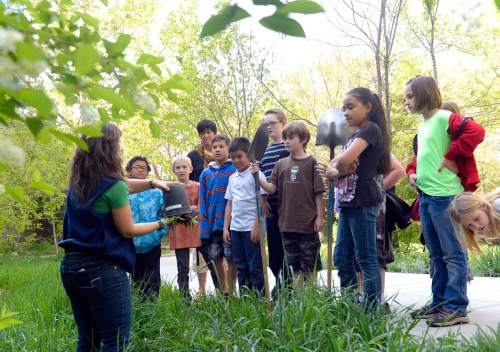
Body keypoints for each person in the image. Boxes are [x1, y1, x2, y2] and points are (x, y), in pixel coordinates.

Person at [59, 123, 172, 351]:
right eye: (118, 143)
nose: (121, 148)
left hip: (71, 268)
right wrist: (161, 223)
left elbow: (122, 186)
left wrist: (151, 182)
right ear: (107, 147)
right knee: (116, 341)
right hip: (103, 270)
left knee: (88, 340)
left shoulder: (78, 183)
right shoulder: (112, 185)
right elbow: (128, 230)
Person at [403, 76, 484, 327]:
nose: (406, 102)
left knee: (453, 254)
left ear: (425, 94)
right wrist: (413, 175)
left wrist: (451, 155)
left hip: (446, 197)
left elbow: (477, 131)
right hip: (427, 196)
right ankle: (439, 303)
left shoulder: (442, 117)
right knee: (436, 255)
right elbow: (424, 157)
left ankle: (456, 307)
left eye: (410, 96)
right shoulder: (424, 125)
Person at [325, 88, 390, 309]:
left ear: (368, 107)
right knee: (342, 257)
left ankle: (372, 311)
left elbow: (341, 163)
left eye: (350, 107)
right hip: (347, 203)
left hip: (363, 202)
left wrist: (337, 169)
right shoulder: (353, 135)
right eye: (343, 108)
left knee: (366, 257)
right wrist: (337, 168)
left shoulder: (370, 130)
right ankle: (350, 305)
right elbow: (336, 165)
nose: (345, 112)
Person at [252, 121, 325, 287]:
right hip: (286, 224)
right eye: (285, 138)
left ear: (303, 139)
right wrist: (258, 177)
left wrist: (320, 217)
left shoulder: (312, 162)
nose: (286, 141)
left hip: (307, 223)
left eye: (290, 138)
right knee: (294, 266)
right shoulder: (281, 164)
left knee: (309, 265)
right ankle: (299, 301)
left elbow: (319, 193)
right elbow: (271, 189)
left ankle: (310, 298)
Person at [355, 156, 405, 303]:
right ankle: (360, 295)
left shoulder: (375, 144)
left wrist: (378, 189)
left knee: (376, 256)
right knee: (356, 255)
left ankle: (379, 299)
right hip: (355, 209)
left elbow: (398, 170)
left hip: (374, 210)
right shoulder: (352, 144)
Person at [223, 137, 267, 294]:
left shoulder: (257, 175)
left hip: (251, 228)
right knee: (240, 265)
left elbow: (262, 203)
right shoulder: (232, 178)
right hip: (235, 229)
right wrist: (225, 228)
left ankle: (260, 298)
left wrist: (257, 225)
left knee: (255, 265)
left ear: (248, 155)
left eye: (239, 156)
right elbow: (229, 205)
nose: (236, 160)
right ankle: (246, 299)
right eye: (233, 157)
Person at [198, 134, 237, 294]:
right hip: (212, 225)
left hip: (231, 224)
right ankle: (224, 291)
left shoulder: (234, 169)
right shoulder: (206, 173)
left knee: (231, 258)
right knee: (216, 258)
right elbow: (202, 201)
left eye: (221, 146)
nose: (218, 150)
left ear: (228, 148)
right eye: (215, 147)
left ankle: (232, 289)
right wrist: (204, 227)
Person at [259, 109, 291, 296]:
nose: (269, 127)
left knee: (289, 245)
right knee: (275, 248)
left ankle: (288, 285)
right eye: (266, 124)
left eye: (272, 123)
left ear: (283, 124)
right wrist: (263, 200)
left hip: (289, 205)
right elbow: (261, 177)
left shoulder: (289, 147)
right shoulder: (263, 151)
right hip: (271, 206)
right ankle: (280, 281)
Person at [126, 156, 167, 299]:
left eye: (143, 167)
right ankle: (139, 308)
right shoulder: (124, 192)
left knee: (153, 278)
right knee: (136, 279)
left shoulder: (156, 192)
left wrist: (158, 234)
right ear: (129, 171)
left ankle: (153, 308)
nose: (140, 169)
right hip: (131, 244)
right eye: (136, 166)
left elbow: (164, 215)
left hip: (152, 242)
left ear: (148, 172)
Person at [168, 156, 202, 300]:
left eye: (184, 167)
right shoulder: (170, 188)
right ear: (173, 170)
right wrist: (189, 209)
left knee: (209, 262)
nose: (181, 170)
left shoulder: (198, 186)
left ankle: (221, 293)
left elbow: (202, 206)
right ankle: (184, 299)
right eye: (178, 167)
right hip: (179, 232)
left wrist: (188, 209)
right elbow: (169, 210)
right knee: (183, 267)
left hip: (197, 230)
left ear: (190, 168)